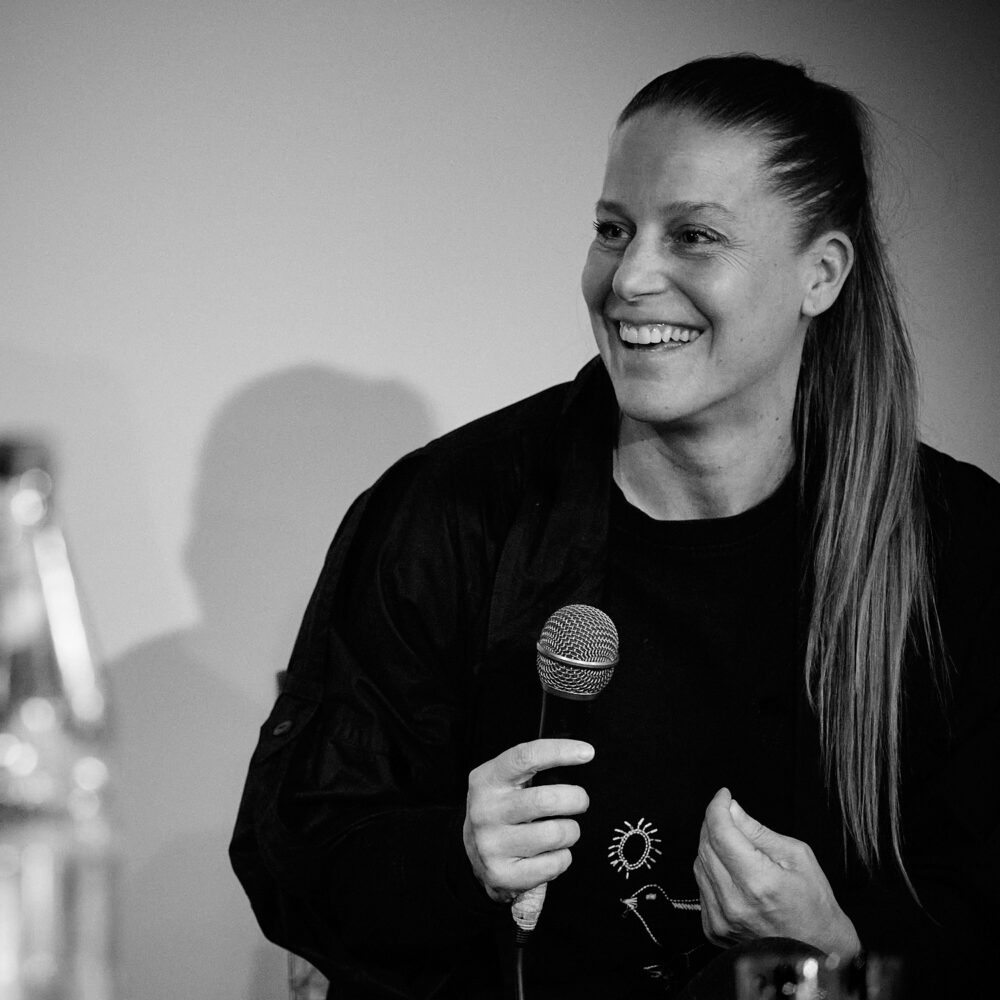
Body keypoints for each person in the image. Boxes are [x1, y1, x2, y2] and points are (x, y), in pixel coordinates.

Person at [230, 55, 999, 999]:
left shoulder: (961, 549)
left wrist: (833, 953)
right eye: (613, 230)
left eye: (695, 236)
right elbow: (296, 850)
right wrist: (453, 857)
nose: (630, 277)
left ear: (822, 273)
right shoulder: (449, 513)